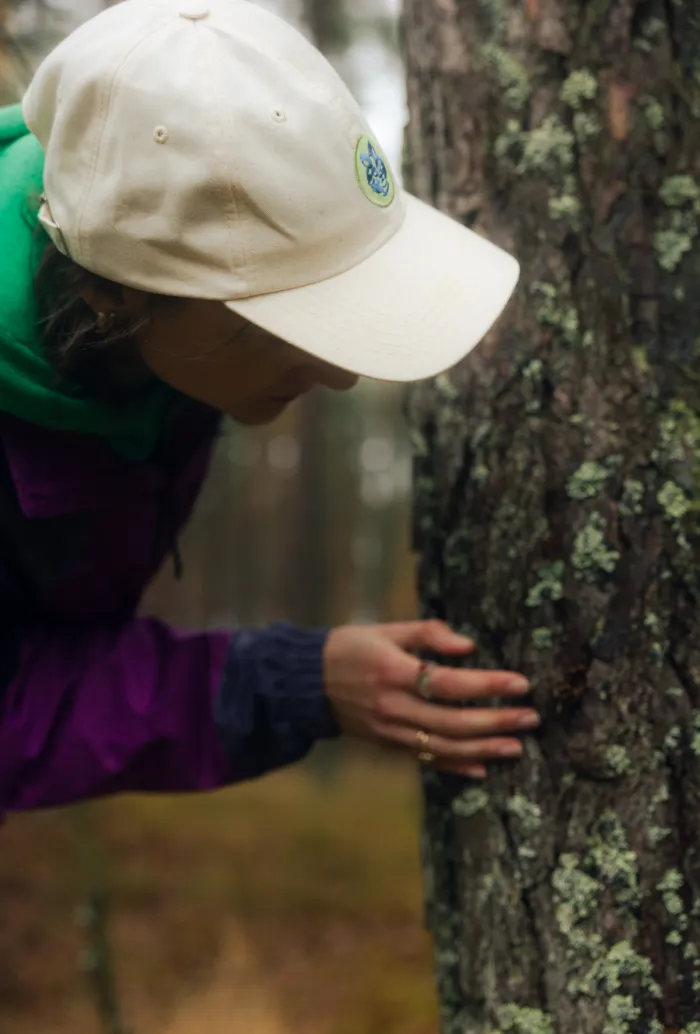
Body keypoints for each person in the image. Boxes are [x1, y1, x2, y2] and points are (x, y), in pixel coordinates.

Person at [0, 0, 540, 815]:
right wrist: (275, 683)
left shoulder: (133, 299)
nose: (339, 375)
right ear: (112, 293)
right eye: (285, 321)